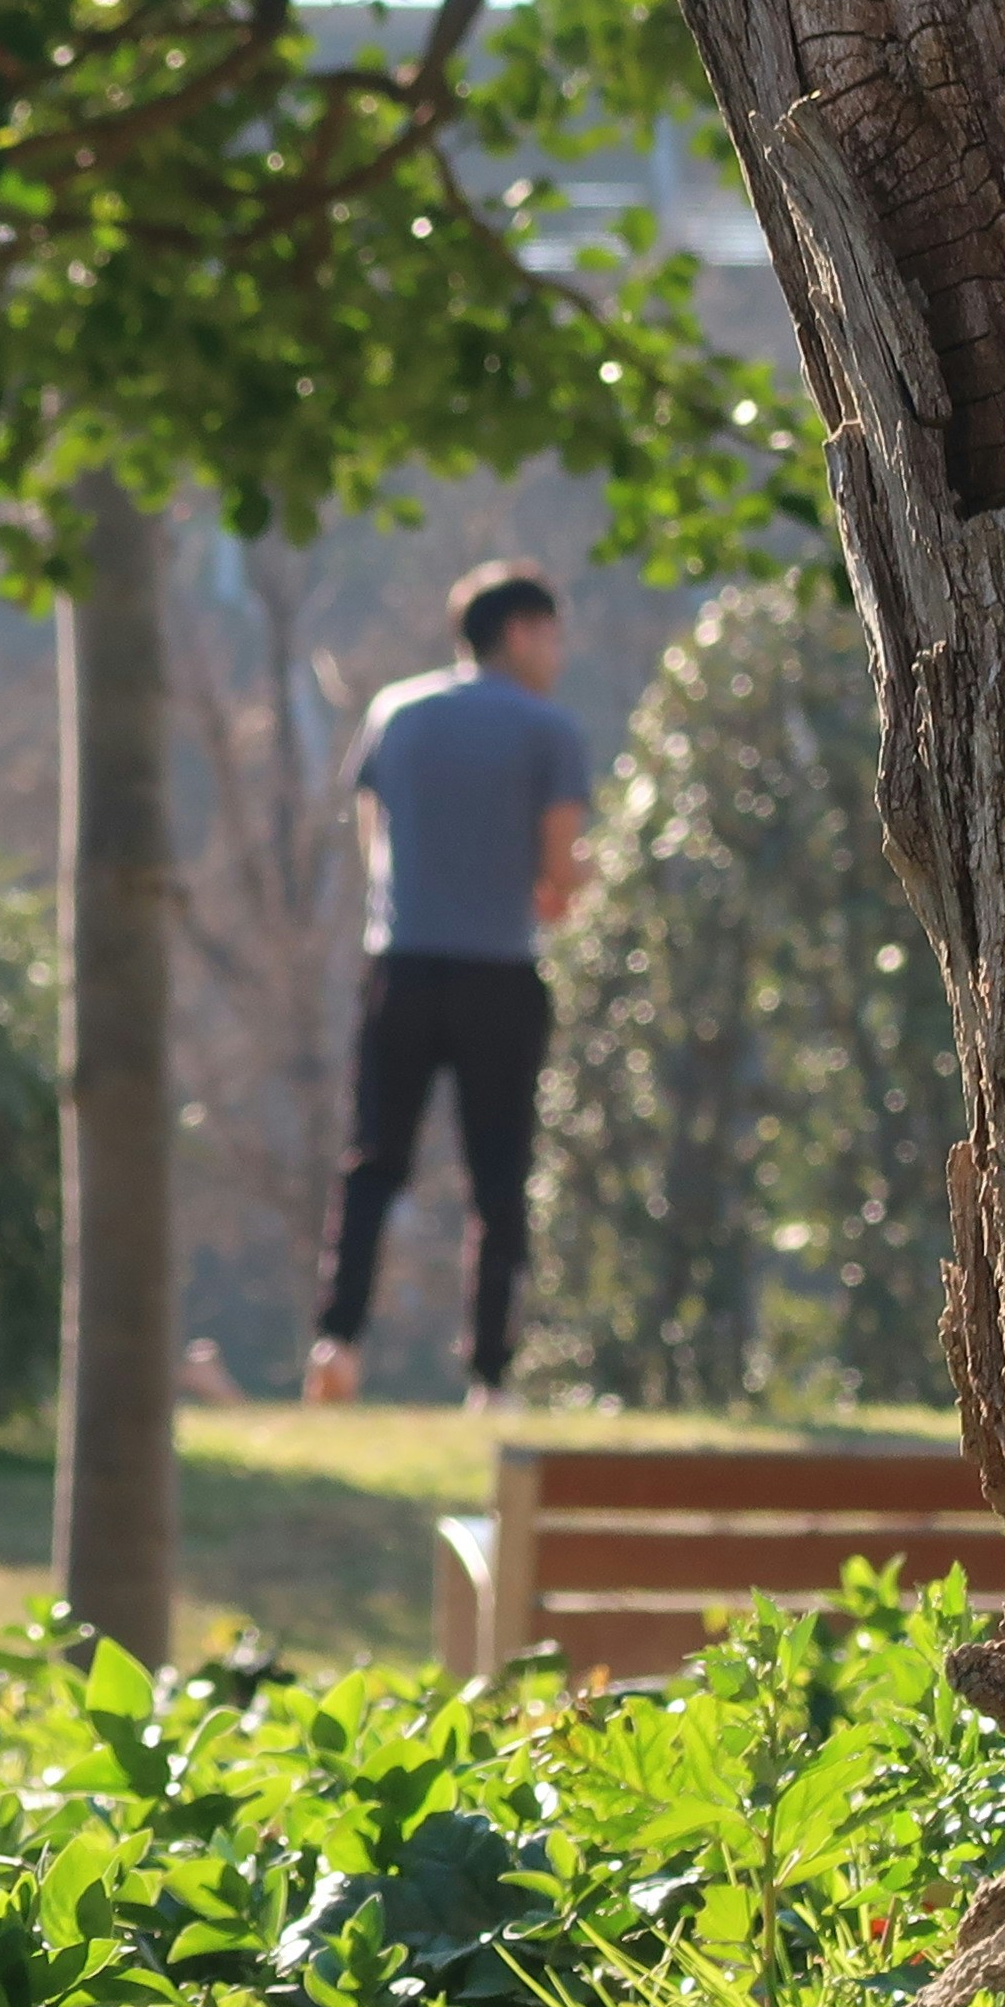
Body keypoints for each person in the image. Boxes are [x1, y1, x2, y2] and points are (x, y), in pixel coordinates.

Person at [308, 562, 591, 1411]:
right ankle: (489, 1380)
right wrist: (578, 878)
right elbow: (559, 880)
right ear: (521, 632)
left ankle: (338, 1342)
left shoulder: (395, 711)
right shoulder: (549, 730)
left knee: (373, 1163)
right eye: (552, 633)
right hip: (499, 974)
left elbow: (372, 835)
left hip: (400, 964)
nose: (558, 653)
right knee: (498, 1179)